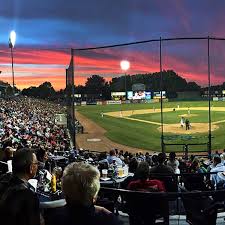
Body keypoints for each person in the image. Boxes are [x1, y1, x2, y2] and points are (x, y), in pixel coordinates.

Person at [48, 162, 122, 225]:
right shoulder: (109, 220)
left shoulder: (54, 218)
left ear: (64, 192)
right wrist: (110, 215)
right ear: (94, 196)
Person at [0, 148, 40, 225]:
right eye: (36, 163)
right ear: (31, 168)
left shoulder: (3, 178)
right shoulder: (29, 196)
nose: (37, 165)